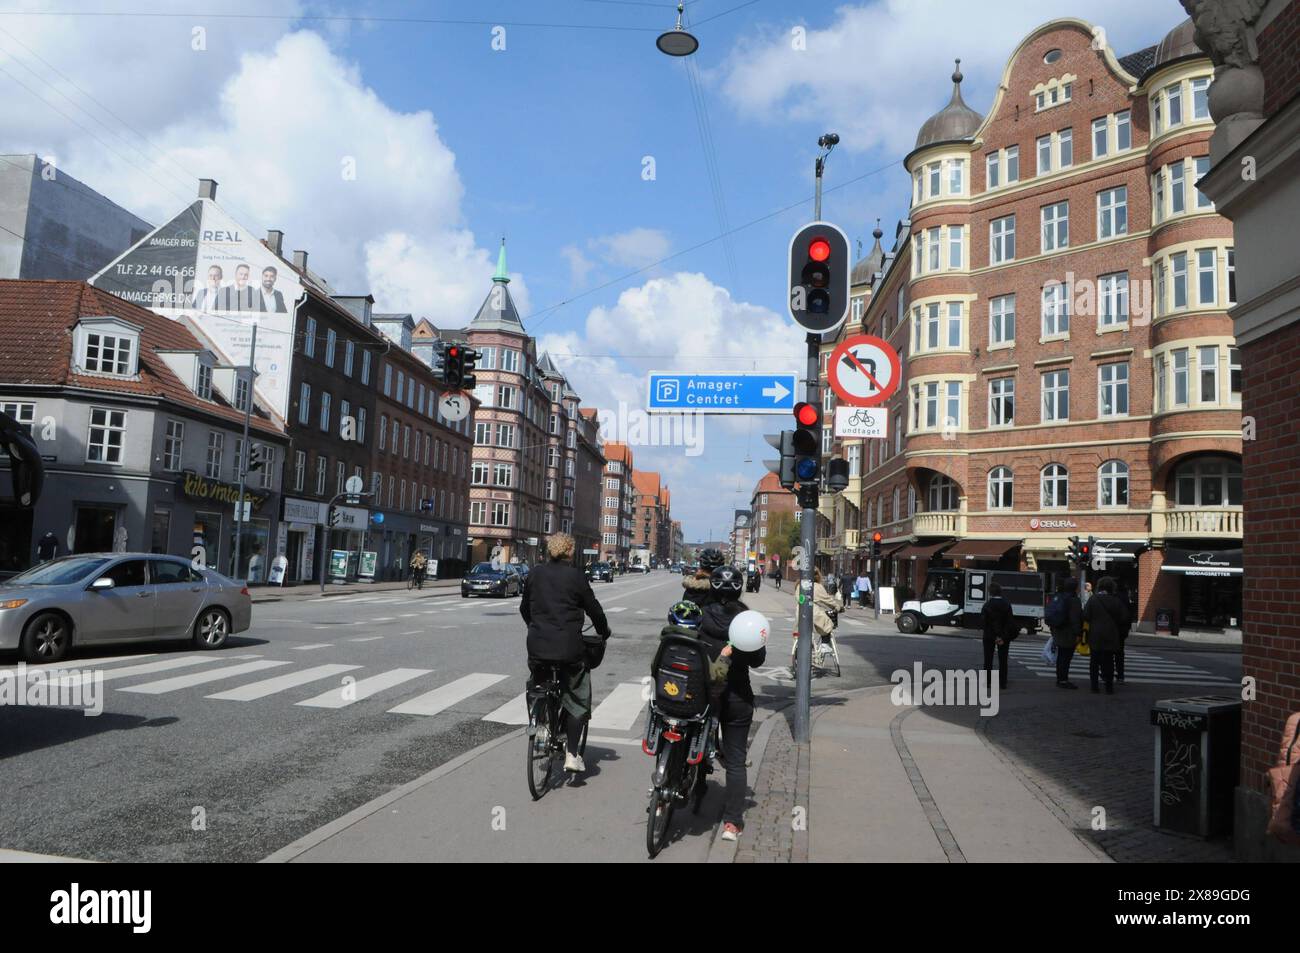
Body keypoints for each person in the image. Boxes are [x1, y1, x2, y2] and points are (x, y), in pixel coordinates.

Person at [519, 532, 611, 773]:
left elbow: (524, 608)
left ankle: (539, 721)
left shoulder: (535, 573)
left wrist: (535, 627)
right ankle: (572, 753)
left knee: (537, 684)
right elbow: (594, 610)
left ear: (550, 551)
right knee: (578, 697)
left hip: (538, 645)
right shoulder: (576, 577)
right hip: (570, 649)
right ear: (570, 552)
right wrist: (604, 631)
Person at [696, 565, 765, 842]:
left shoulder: (700, 614)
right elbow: (758, 660)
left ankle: (695, 790)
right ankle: (732, 823)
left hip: (704, 693)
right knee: (736, 760)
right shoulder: (746, 619)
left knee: (698, 742)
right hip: (737, 694)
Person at [1083, 576, 1130, 695]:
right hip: (1111, 634)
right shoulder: (1116, 601)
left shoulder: (1093, 599)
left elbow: (1086, 615)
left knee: (1094, 661)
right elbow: (1124, 617)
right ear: (1112, 587)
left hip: (1095, 634)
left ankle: (1094, 686)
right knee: (1109, 661)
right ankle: (1109, 687)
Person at [792, 568, 839, 674]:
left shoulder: (799, 586)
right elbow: (828, 600)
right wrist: (838, 606)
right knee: (827, 624)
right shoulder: (817, 587)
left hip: (800, 613)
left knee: (800, 635)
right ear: (817, 576)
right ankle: (825, 645)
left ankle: (797, 657)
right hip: (814, 612)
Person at [1048, 577, 1083, 688]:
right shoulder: (1074, 600)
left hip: (1058, 630)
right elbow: (1075, 618)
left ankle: (1060, 678)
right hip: (1069, 632)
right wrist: (1078, 633)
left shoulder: (1059, 596)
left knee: (1061, 656)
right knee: (1066, 657)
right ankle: (1063, 679)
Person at [980, 582, 1015, 691]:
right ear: (1001, 592)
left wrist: (993, 634)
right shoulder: (1007, 604)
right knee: (1003, 660)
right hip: (1004, 637)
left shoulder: (987, 605)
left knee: (988, 659)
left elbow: (983, 622)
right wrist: (1001, 636)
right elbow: (1010, 622)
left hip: (989, 636)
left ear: (990, 592)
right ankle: (1002, 683)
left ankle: (987, 682)